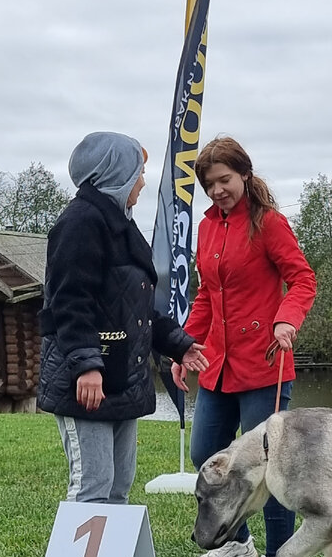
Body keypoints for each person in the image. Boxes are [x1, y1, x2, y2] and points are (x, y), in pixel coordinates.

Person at [172, 135, 316, 557]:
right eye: (209, 184)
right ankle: (239, 544)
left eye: (225, 180)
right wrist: (185, 346)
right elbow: (205, 296)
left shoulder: (269, 223)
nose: (217, 191)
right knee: (205, 455)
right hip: (217, 364)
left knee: (271, 470)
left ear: (245, 176)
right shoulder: (207, 226)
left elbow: (302, 279)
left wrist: (285, 321)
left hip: (265, 364)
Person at [38, 131, 208, 503]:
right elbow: (69, 302)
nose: (143, 182)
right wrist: (86, 366)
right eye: (138, 172)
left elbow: (137, 310)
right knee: (92, 486)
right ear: (114, 172)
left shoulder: (123, 225)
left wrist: (178, 344)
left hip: (122, 377)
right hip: (86, 381)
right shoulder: (80, 223)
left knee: (118, 488)